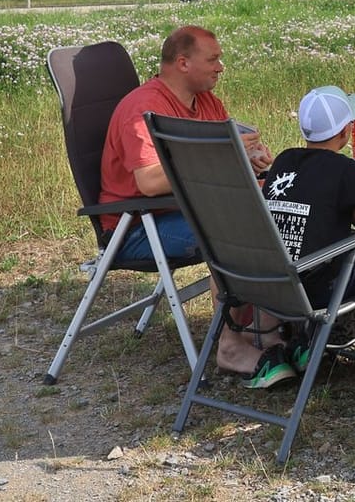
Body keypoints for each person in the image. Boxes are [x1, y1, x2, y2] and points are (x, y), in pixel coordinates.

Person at [100, 24, 273, 374]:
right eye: (213, 59)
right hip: (138, 225)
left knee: (275, 211)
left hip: (189, 211)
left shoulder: (206, 102)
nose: (220, 67)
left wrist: (249, 156)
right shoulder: (144, 110)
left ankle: (267, 329)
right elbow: (148, 182)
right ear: (182, 63)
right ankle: (230, 345)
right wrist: (224, 152)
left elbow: (221, 153)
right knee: (234, 231)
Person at [246, 86, 355, 388]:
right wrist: (354, 214)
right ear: (345, 132)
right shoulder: (341, 168)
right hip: (320, 288)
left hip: (272, 284)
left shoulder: (285, 160)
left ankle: (309, 342)